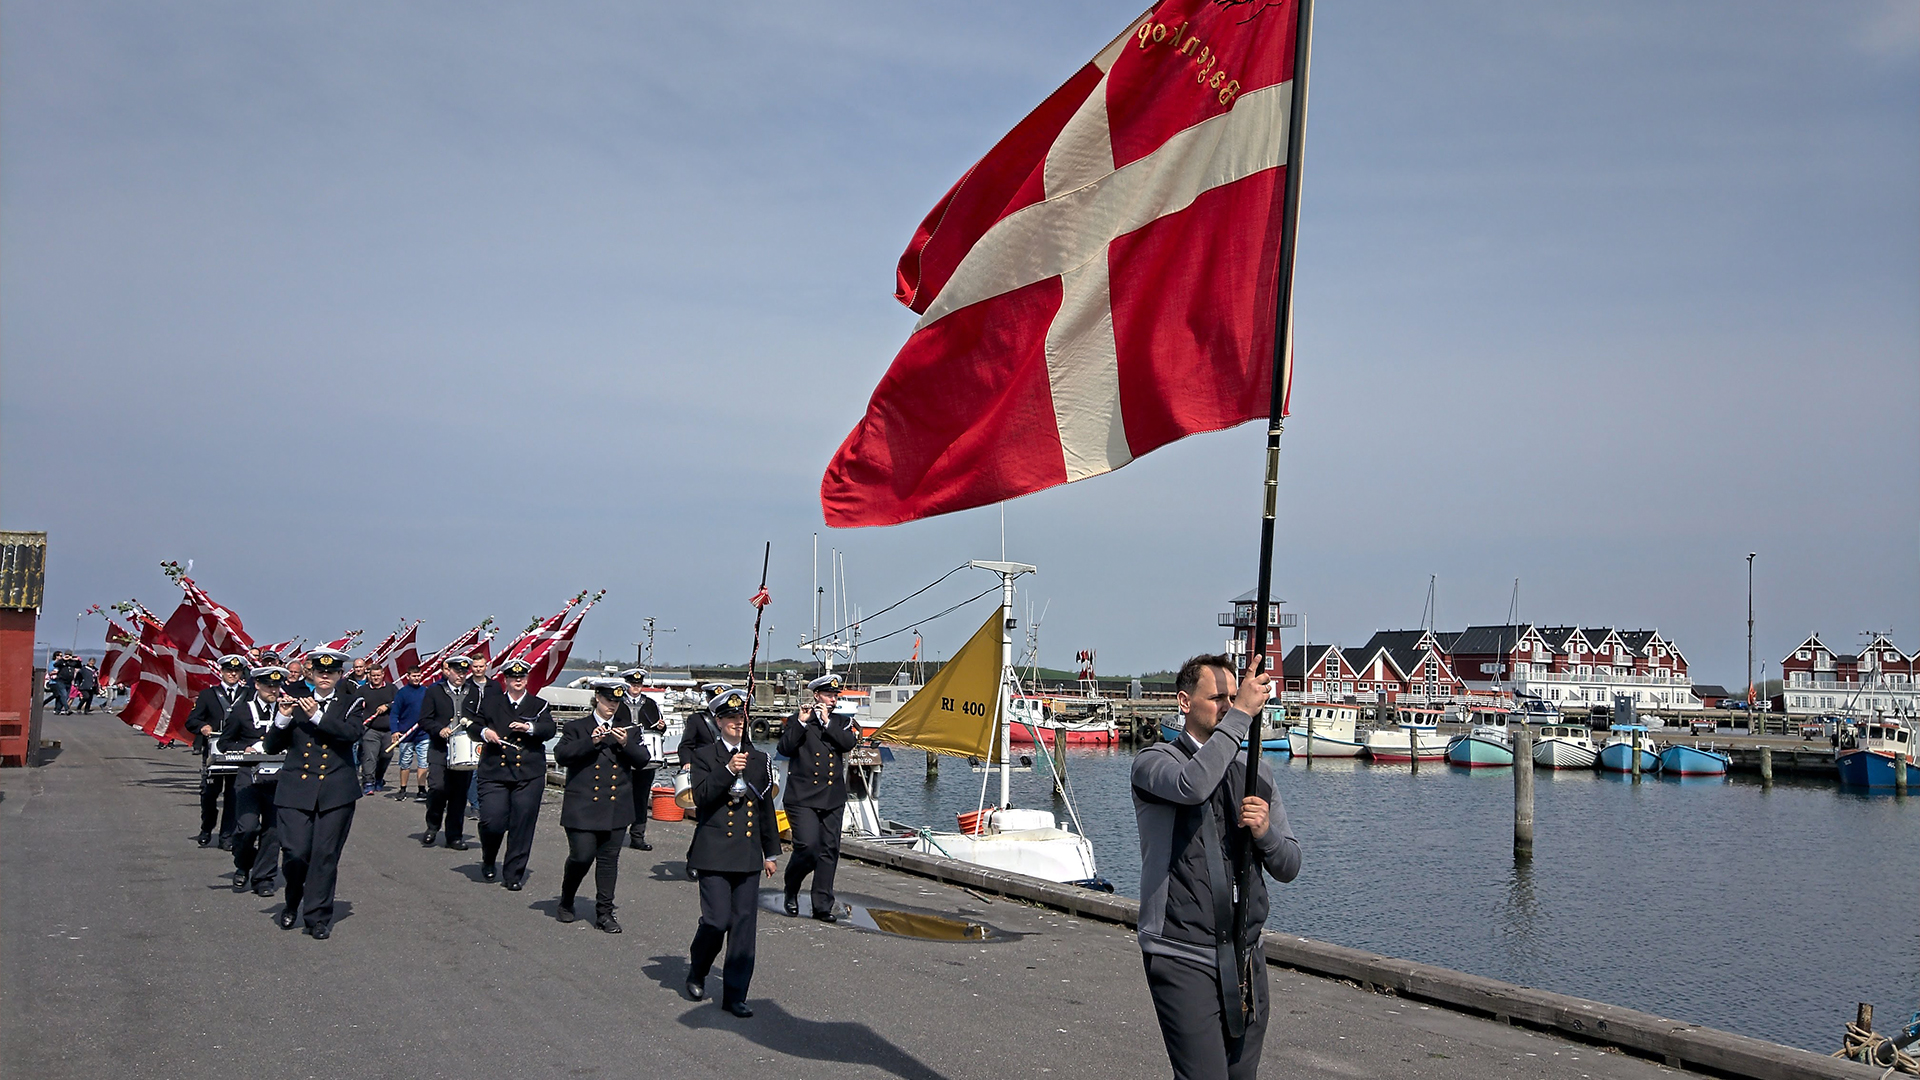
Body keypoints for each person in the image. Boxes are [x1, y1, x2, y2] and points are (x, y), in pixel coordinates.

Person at [1131, 654, 1301, 1080]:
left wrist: (1266, 833)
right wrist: (1242, 713)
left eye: (1233, 697)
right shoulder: (1155, 763)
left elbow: (1289, 865)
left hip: (1245, 957)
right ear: (1184, 702)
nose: (1228, 706)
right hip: (1181, 953)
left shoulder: (1255, 773)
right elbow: (1193, 785)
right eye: (1218, 698)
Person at [683, 688, 778, 1017]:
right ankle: (698, 969)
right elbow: (700, 797)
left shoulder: (759, 759)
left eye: (742, 718)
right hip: (713, 851)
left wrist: (771, 852)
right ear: (719, 722)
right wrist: (727, 769)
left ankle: (735, 994)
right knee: (716, 920)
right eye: (731, 718)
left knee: (743, 927)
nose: (738, 723)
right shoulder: (705, 756)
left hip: (747, 853)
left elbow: (765, 807)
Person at [265, 649, 366, 939]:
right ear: (311, 673)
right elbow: (271, 747)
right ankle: (292, 900)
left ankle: (318, 916)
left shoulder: (351, 702)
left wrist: (317, 716)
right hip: (296, 788)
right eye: (320, 672)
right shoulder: (295, 701)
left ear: (339, 675)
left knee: (325, 855)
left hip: (336, 789)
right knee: (296, 853)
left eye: (331, 672)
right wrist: (282, 719)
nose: (325, 676)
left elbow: (351, 734)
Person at [552, 681, 652, 931]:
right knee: (581, 856)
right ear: (597, 698)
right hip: (583, 806)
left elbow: (643, 760)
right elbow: (561, 755)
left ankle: (604, 913)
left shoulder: (628, 729)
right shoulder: (577, 727)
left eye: (616, 702)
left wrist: (626, 744)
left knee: (608, 861)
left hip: (615, 805)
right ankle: (567, 899)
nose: (612, 706)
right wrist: (591, 741)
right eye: (608, 701)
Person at [468, 658, 555, 890]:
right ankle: (489, 858)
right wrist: (485, 732)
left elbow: (549, 729)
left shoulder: (539, 705)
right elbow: (472, 726)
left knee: (522, 824)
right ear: (505, 680)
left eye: (522, 677)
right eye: (513, 677)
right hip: (495, 771)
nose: (518, 680)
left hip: (528, 773)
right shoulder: (491, 703)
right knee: (492, 822)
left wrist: (530, 728)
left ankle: (513, 874)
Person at [778, 672, 859, 921]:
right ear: (816, 696)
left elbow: (848, 743)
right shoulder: (799, 720)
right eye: (828, 695)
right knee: (807, 846)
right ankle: (791, 887)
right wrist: (802, 723)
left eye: (835, 696)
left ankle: (822, 905)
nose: (832, 700)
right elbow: (784, 748)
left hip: (832, 796)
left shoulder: (840, 722)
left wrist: (827, 722)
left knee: (829, 850)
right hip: (802, 796)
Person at [220, 665, 292, 896]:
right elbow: (224, 743)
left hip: (278, 780)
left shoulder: (287, 711)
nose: (273, 690)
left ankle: (264, 879)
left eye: (276, 686)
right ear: (257, 685)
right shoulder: (242, 711)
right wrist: (245, 748)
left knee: (273, 832)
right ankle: (243, 864)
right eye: (268, 685)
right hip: (249, 779)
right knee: (247, 827)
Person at [189, 655, 253, 848]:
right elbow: (191, 720)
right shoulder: (208, 695)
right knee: (209, 794)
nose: (232, 674)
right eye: (228, 671)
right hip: (214, 752)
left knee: (234, 795)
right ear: (221, 672)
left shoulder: (249, 695)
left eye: (236, 671)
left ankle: (227, 836)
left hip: (238, 751)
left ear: (241, 673)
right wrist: (202, 726)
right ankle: (206, 828)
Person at [419, 655, 480, 848]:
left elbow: (480, 718)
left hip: (464, 751)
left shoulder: (473, 692)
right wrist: (439, 729)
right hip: (440, 750)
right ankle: (432, 826)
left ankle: (454, 836)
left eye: (464, 672)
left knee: (459, 795)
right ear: (449, 671)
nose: (461, 675)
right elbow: (424, 719)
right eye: (457, 672)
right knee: (437, 788)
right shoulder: (434, 691)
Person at [620, 668, 665, 850]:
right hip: (622, 756)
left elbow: (659, 727)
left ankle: (637, 836)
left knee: (641, 797)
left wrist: (661, 727)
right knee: (620, 796)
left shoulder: (650, 704)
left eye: (639, 684)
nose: (636, 687)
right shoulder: (618, 702)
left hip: (645, 757)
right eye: (633, 684)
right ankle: (614, 834)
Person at [354, 666, 397, 795]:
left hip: (388, 729)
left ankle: (379, 778)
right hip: (370, 729)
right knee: (369, 757)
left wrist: (387, 706)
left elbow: (399, 703)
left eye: (378, 675)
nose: (376, 678)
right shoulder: (363, 690)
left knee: (386, 756)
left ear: (383, 675)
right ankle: (368, 782)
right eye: (373, 676)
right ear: (369, 676)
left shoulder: (391, 688)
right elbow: (354, 705)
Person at [388, 666, 428, 799]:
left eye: (418, 676)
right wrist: (395, 730)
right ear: (408, 677)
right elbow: (394, 713)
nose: (416, 678)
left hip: (423, 733)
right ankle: (403, 789)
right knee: (405, 763)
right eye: (414, 676)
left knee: (423, 762)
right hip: (405, 734)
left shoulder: (426, 691)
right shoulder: (402, 693)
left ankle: (421, 789)